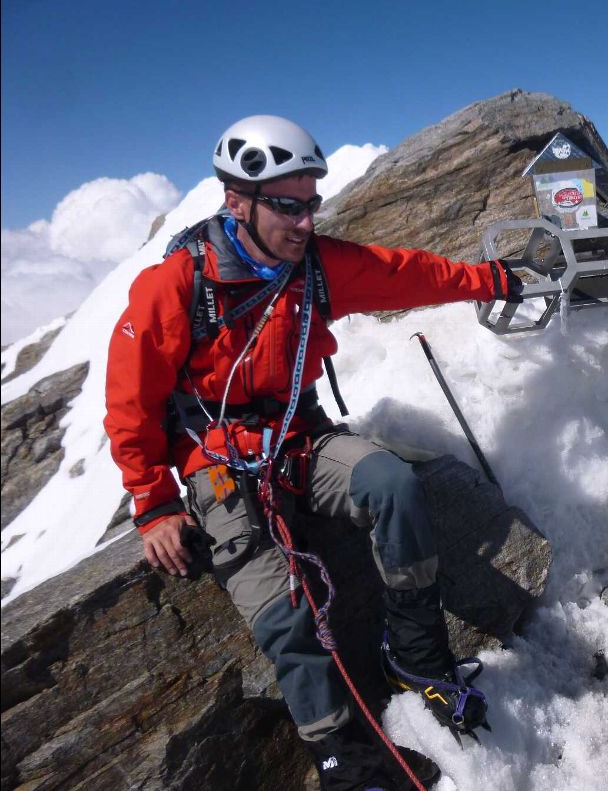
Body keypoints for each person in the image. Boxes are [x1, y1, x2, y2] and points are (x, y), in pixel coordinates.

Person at [104, 115, 520, 790]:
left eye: (311, 203)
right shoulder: (177, 286)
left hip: (301, 440)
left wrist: (489, 281)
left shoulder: (317, 267)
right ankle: (342, 759)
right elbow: (130, 397)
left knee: (391, 482)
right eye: (287, 206)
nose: (304, 222)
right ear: (237, 200)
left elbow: (405, 275)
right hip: (221, 466)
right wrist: (152, 502)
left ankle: (416, 653)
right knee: (283, 610)